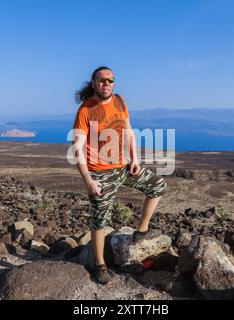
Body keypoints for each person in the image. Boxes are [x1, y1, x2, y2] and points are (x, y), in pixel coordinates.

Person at [72, 66, 167, 285]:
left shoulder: (120, 101)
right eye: (102, 80)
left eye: (110, 80)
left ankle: (142, 230)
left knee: (158, 186)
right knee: (100, 220)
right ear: (94, 83)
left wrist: (134, 159)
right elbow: (77, 149)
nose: (106, 83)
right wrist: (89, 181)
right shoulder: (85, 110)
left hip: (123, 166)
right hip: (100, 173)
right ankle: (100, 265)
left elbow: (128, 131)